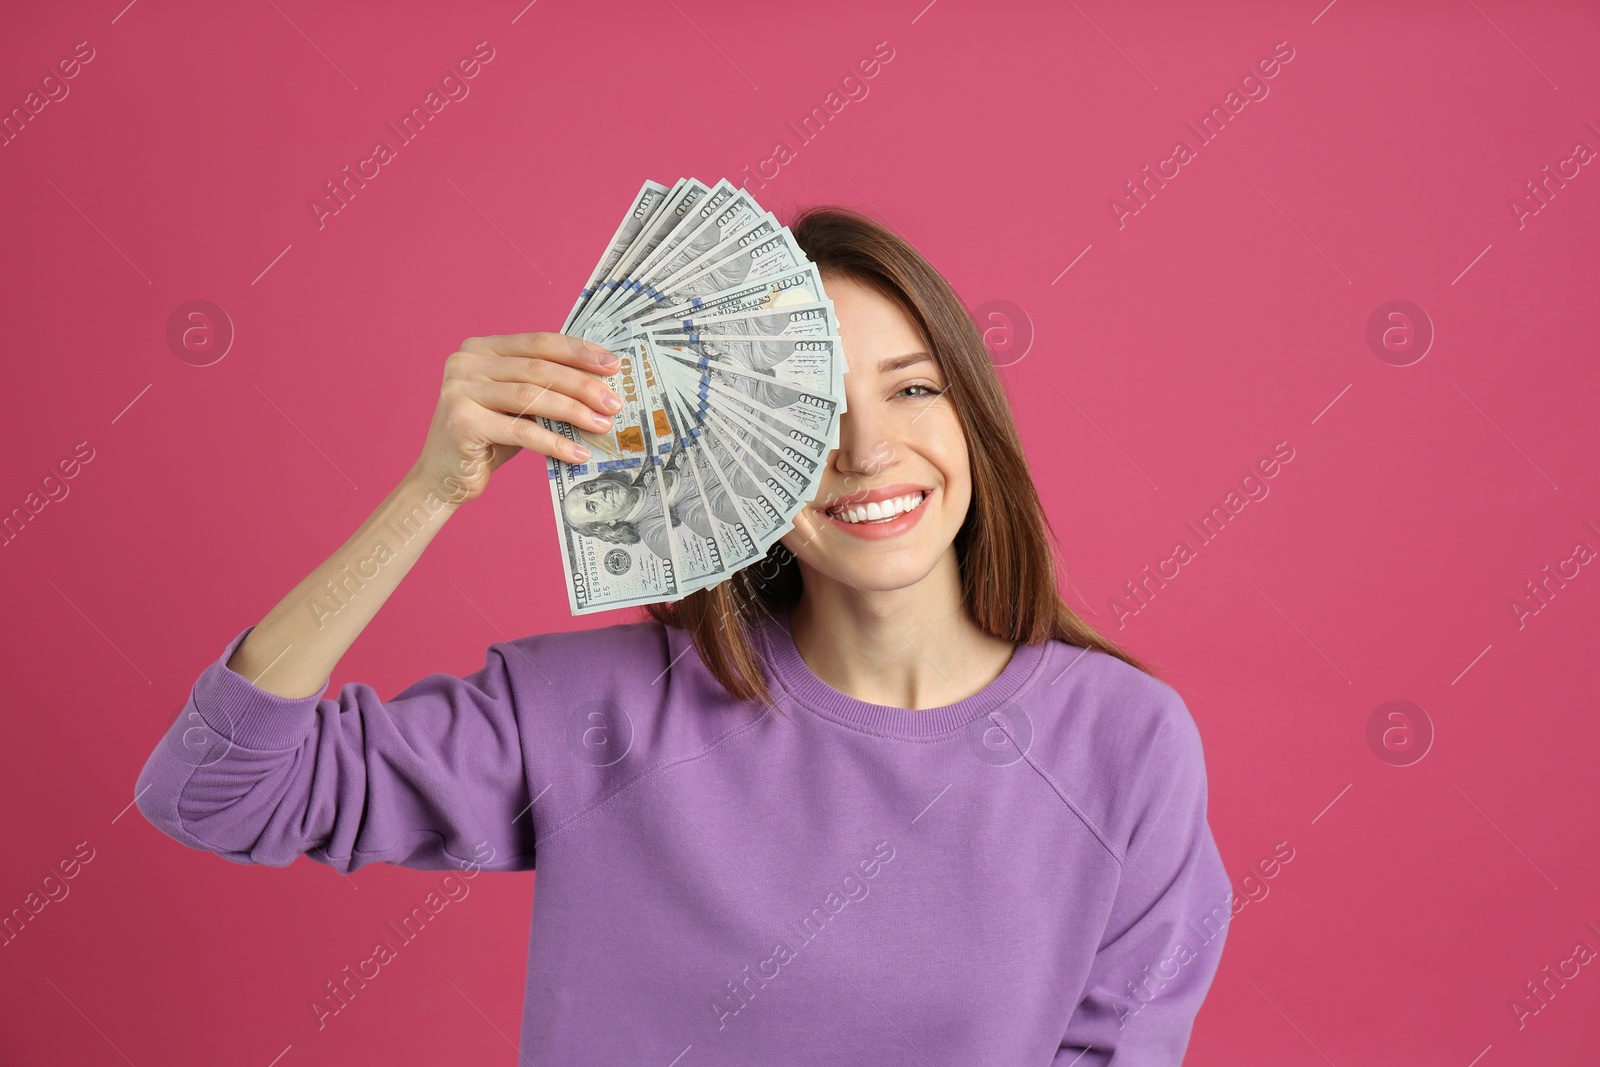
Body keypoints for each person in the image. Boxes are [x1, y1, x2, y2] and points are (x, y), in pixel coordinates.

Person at [135, 205, 1231, 1064]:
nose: (866, 446)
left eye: (914, 388)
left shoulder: (1125, 743)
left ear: (974, 416)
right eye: (808, 408)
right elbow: (216, 790)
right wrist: (429, 493)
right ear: (733, 446)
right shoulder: (587, 712)